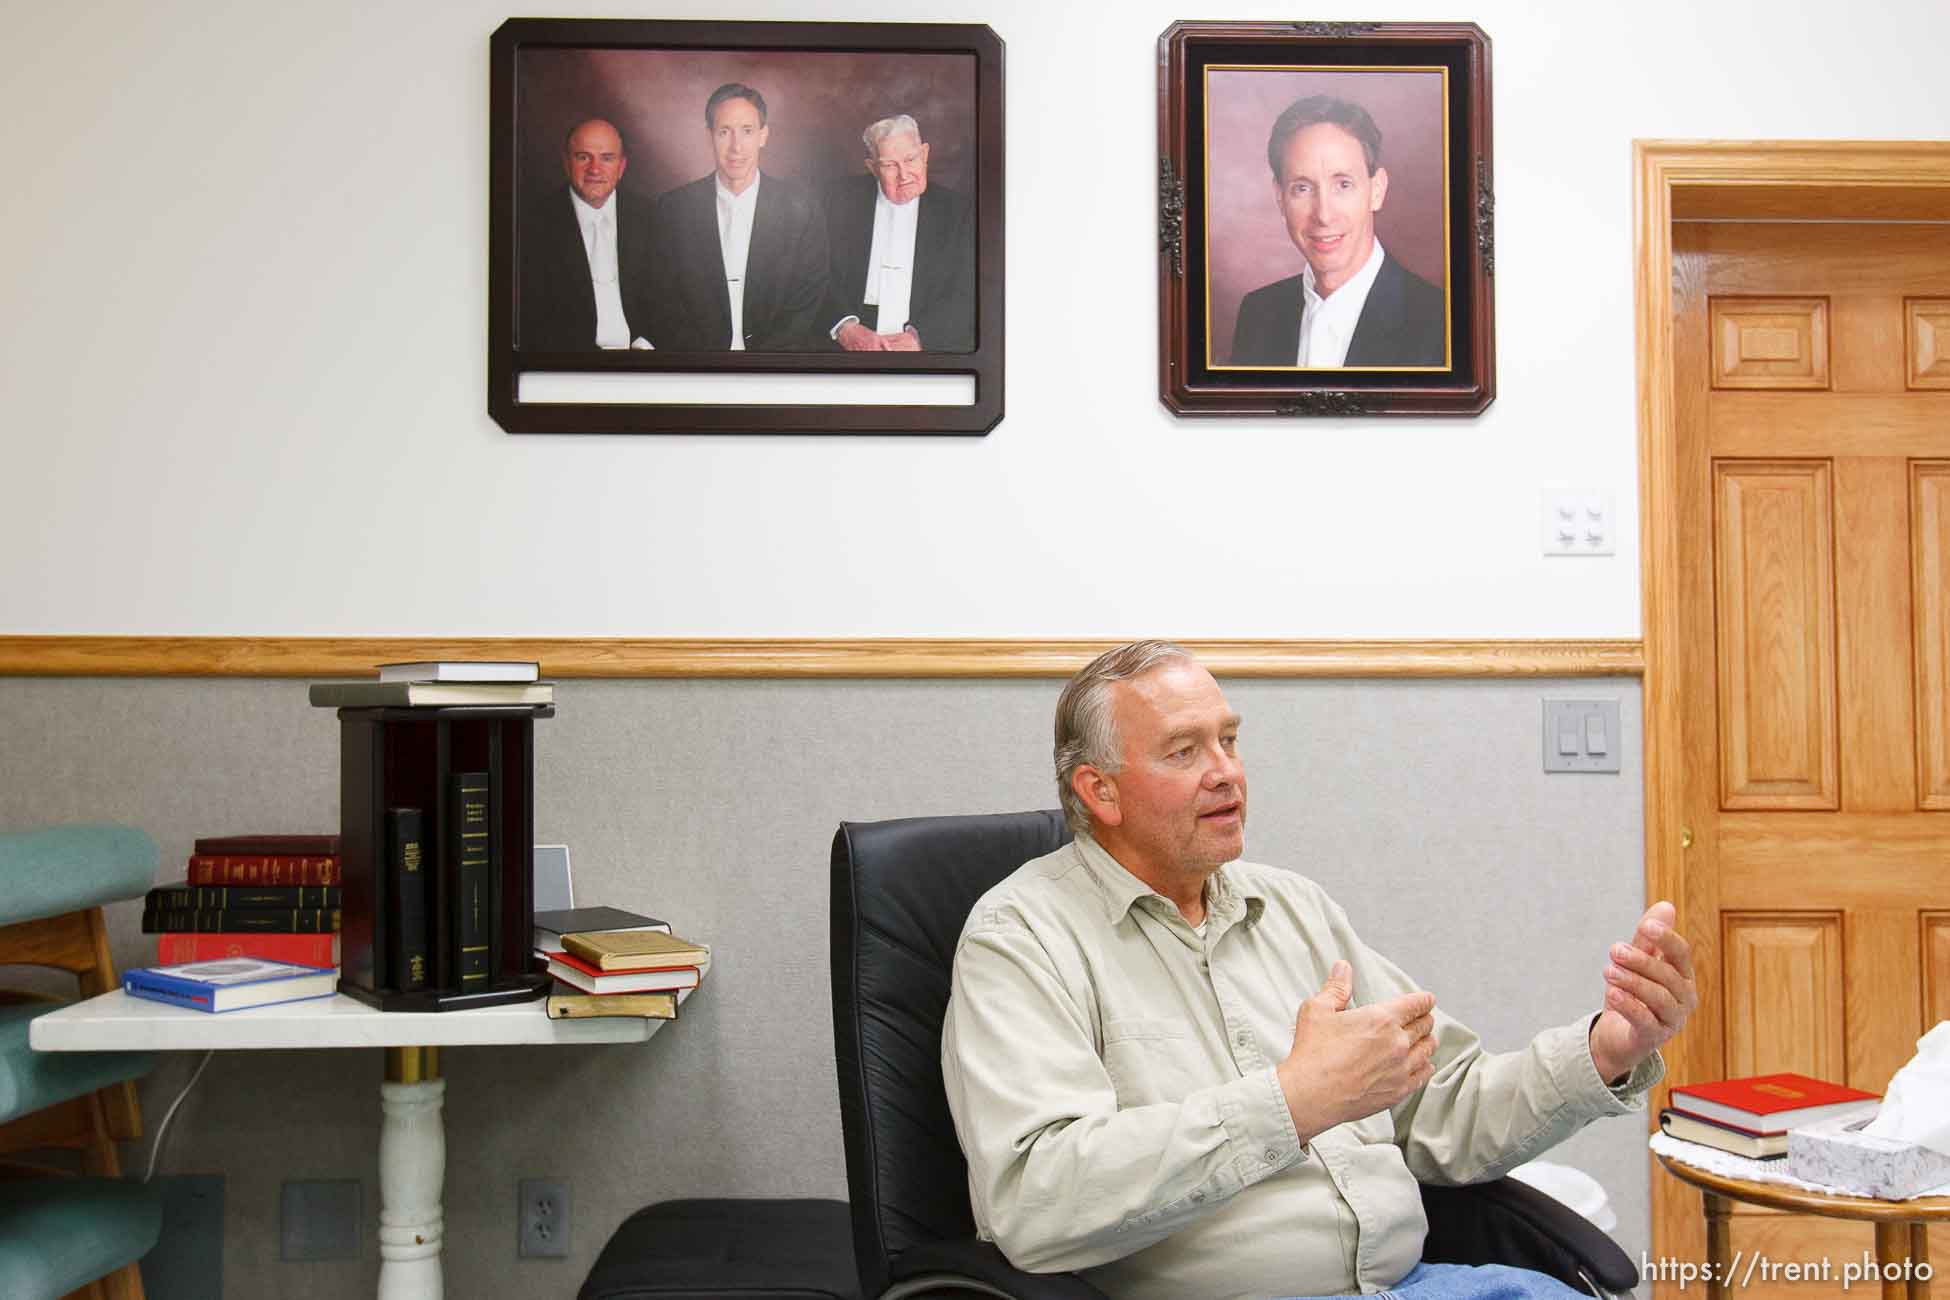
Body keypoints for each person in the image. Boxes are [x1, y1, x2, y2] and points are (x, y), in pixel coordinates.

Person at [941, 640, 1697, 1300]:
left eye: (1229, 741)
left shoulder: (1295, 908)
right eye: (1184, 751)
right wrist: (1291, 1103)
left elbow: (1447, 1107)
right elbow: (1036, 1204)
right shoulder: (1020, 939)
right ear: (1098, 791)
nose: (1226, 773)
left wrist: (1607, 1050)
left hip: (1422, 1284)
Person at [1231, 95, 1446, 368]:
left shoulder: (1443, 323)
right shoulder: (1258, 313)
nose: (1323, 215)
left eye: (1343, 184)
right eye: (1303, 188)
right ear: (1280, 197)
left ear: (1377, 190)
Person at [644, 82, 830, 351]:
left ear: (763, 136)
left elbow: (808, 298)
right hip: (698, 368)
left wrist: (763, 365)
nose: (736, 147)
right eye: (724, 132)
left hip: (775, 369)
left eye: (747, 131)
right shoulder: (673, 209)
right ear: (709, 136)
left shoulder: (801, 206)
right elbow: (661, 300)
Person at [822, 114, 976, 353]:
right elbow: (814, 274)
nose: (904, 175)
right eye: (889, 165)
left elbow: (968, 291)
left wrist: (921, 337)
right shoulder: (835, 201)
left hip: (925, 338)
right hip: (851, 334)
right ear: (872, 168)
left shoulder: (959, 212)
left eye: (910, 159)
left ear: (924, 154)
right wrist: (844, 327)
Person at [519, 118, 653, 350]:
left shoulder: (651, 218)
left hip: (644, 361)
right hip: (570, 366)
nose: (594, 169)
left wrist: (646, 346)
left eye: (607, 158)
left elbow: (670, 299)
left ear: (621, 167)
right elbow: (529, 316)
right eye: (583, 157)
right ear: (566, 162)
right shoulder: (532, 224)